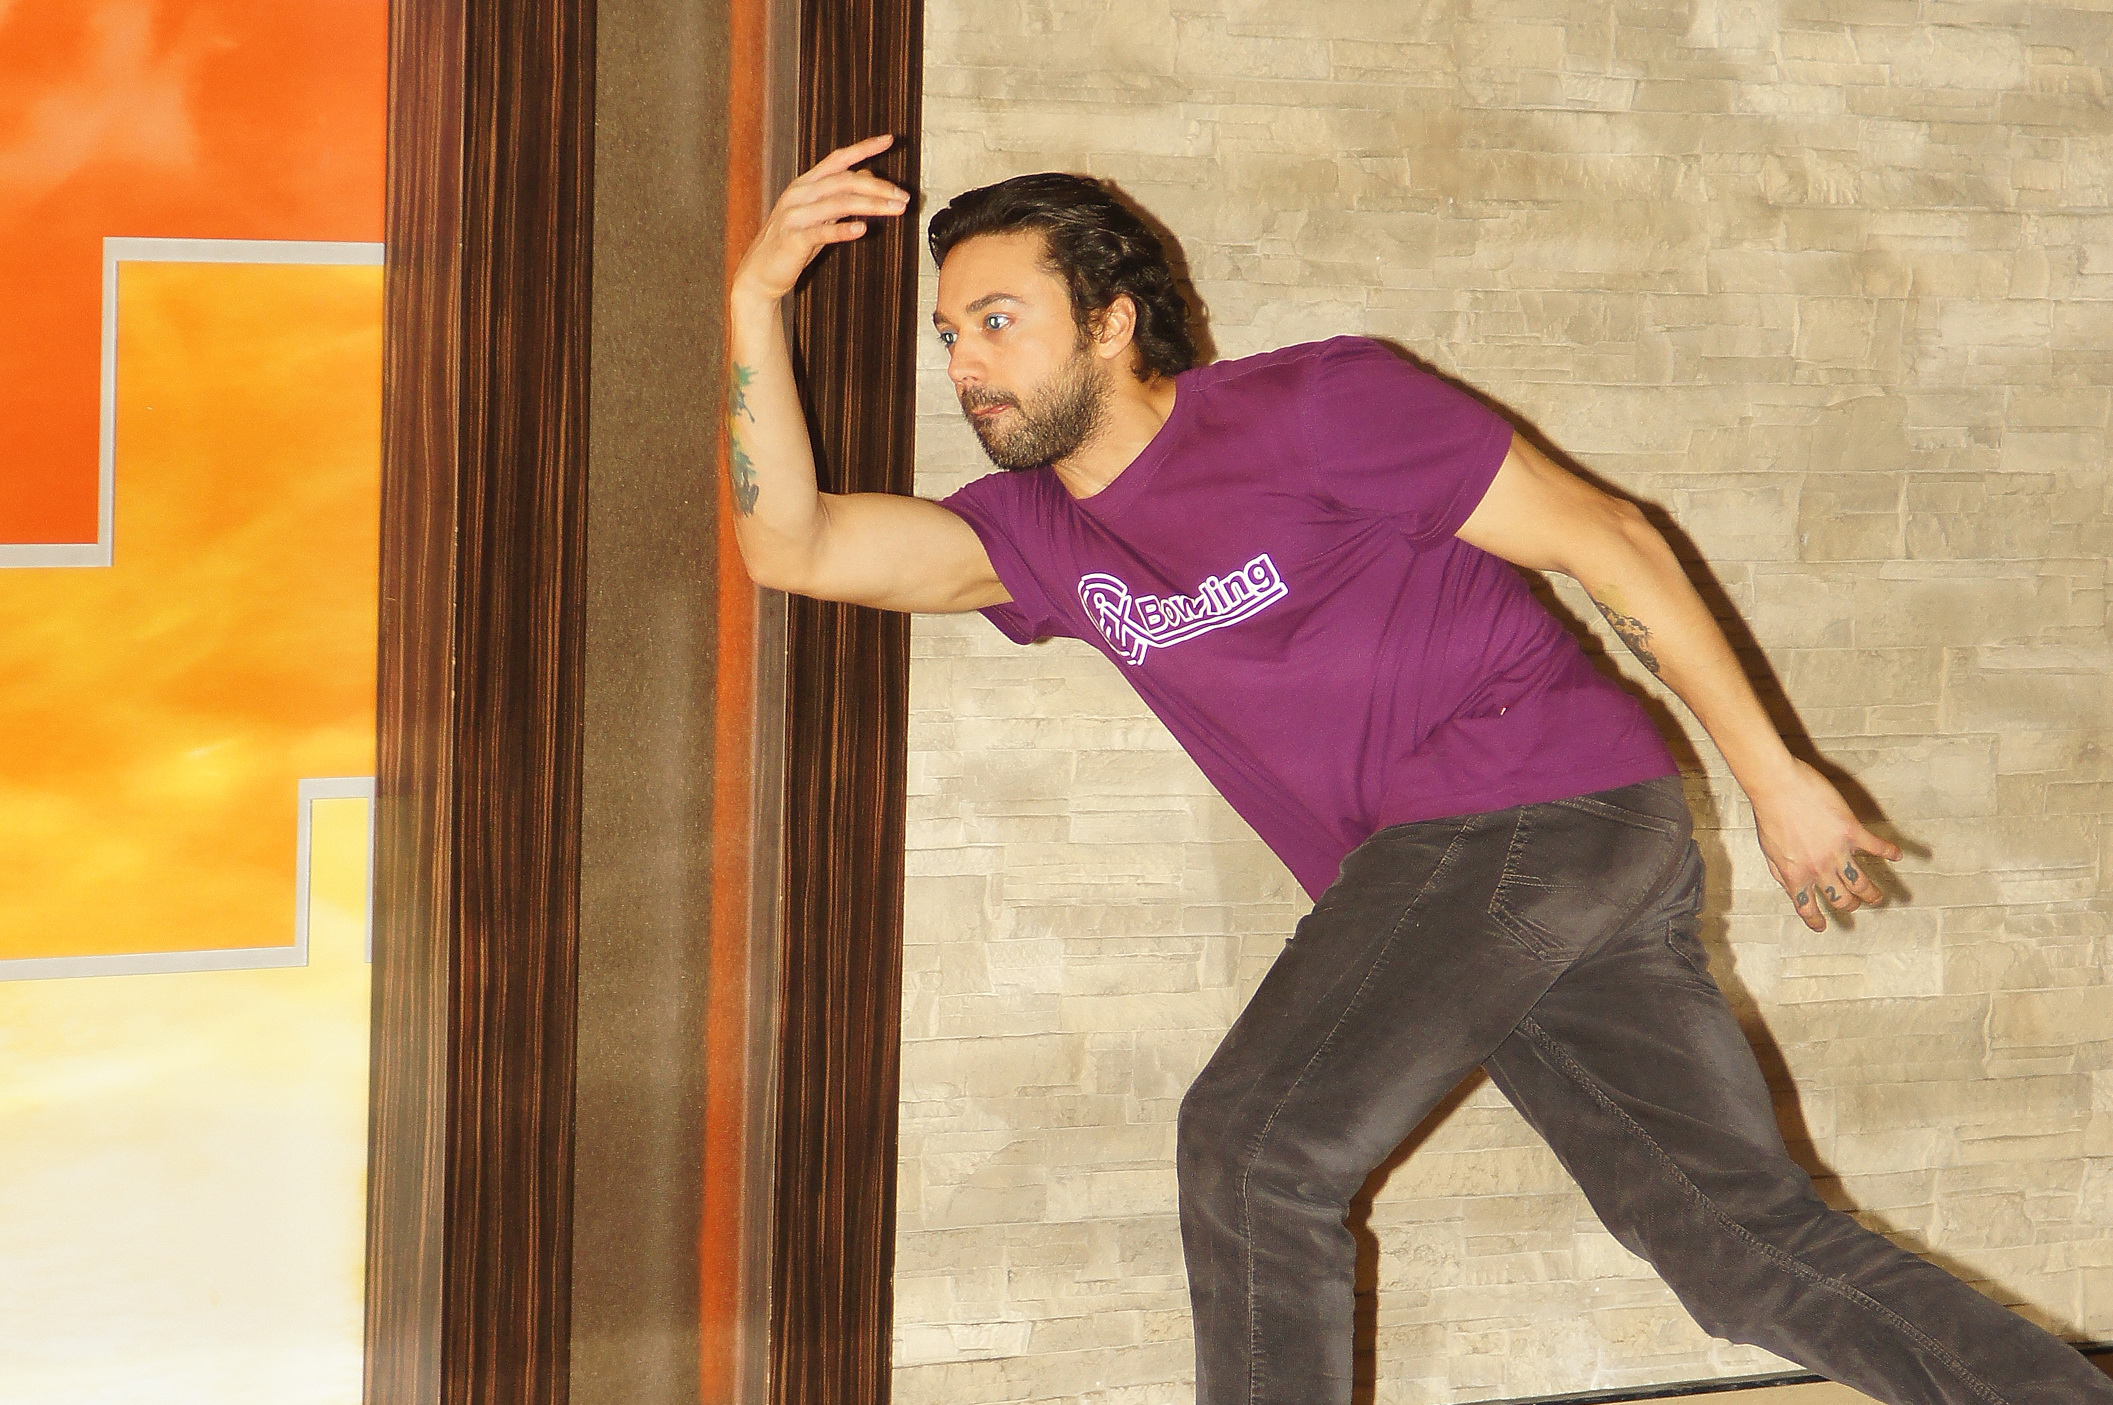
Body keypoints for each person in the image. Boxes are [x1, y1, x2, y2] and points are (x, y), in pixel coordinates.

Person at [726, 133, 2113, 1405]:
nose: (966, 363)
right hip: (1503, 872)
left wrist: (1776, 773)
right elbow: (793, 545)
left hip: (1537, 808)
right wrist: (755, 298)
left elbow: (1607, 535)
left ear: (1110, 320)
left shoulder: (1315, 405)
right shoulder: (1033, 536)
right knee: (1739, 1250)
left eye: (998, 320)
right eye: (950, 332)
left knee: (1256, 1144)